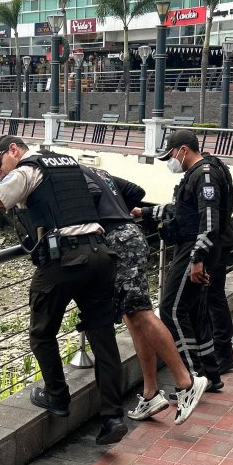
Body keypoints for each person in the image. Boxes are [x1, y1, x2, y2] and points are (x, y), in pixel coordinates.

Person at [0, 136, 127, 446]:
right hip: (100, 254)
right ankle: (112, 416)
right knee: (103, 336)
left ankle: (57, 397)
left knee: (41, 333)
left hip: (65, 261)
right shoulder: (70, 164)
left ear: (13, 150)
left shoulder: (28, 170)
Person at [82, 165, 207, 424]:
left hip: (119, 242)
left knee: (141, 314)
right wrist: (118, 211)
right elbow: (136, 191)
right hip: (128, 237)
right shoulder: (97, 171)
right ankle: (150, 393)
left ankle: (186, 382)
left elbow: (92, 197)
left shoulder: (75, 177)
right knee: (132, 318)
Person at [134, 129, 233, 392]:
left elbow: (209, 221)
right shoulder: (200, 174)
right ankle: (211, 375)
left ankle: (192, 378)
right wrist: (145, 212)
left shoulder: (204, 176)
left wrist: (197, 259)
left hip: (194, 250)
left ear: (182, 150)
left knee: (172, 310)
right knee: (195, 311)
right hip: (197, 249)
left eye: (170, 155)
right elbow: (182, 211)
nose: (170, 161)